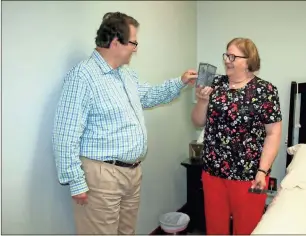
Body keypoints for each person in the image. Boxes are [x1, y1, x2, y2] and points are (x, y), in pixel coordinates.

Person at [52, 12, 197, 235]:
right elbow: (65, 134)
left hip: (131, 173)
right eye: (134, 42)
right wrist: (76, 182)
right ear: (115, 42)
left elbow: (148, 95)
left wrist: (181, 82)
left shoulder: (125, 74)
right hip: (102, 176)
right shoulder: (83, 76)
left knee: (126, 232)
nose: (136, 48)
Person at [191, 38, 282, 235]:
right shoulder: (216, 84)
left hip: (249, 175)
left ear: (249, 61)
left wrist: (262, 171)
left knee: (247, 229)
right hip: (213, 171)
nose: (227, 60)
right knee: (215, 229)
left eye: (233, 56)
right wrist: (202, 101)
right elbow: (198, 122)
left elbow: (273, 133)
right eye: (226, 55)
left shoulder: (266, 90)